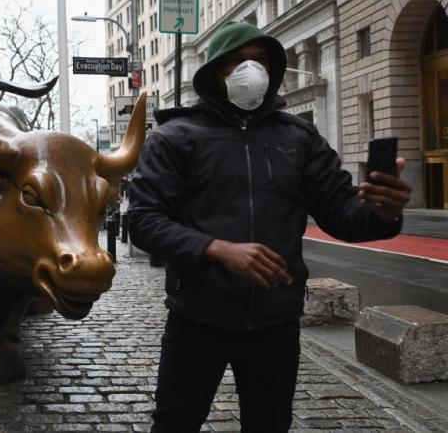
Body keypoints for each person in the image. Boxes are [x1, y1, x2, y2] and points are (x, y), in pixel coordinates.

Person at [127, 22, 412, 433]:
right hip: (197, 318)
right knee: (175, 423)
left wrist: (383, 212)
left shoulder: (299, 136)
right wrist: (215, 248)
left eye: (259, 60)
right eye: (235, 62)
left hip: (275, 323)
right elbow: (144, 220)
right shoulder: (175, 137)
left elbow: (342, 214)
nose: (250, 70)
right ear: (213, 73)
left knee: (270, 424)